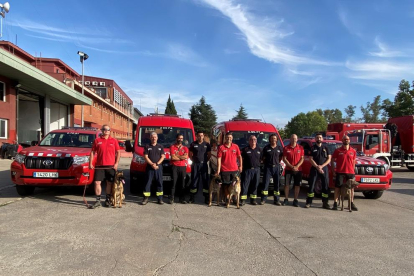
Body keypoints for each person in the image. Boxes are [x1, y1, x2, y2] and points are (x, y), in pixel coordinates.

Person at [89, 124, 120, 208]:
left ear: (110, 131)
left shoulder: (114, 140)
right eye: (104, 129)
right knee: (97, 182)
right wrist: (90, 163)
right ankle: (98, 200)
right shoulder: (97, 140)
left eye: (108, 129)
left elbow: (118, 152)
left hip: (110, 166)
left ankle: (107, 200)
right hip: (99, 165)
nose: (106, 131)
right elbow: (92, 152)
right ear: (102, 130)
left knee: (109, 183)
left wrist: (116, 163)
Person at [331, 135, 358, 211]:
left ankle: (351, 203)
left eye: (347, 139)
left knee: (351, 189)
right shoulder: (338, 150)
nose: (346, 140)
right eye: (345, 139)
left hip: (350, 172)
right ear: (342, 141)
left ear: (349, 140)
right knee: (337, 188)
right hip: (340, 172)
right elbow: (332, 160)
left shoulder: (353, 151)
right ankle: (335, 203)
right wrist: (333, 170)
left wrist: (353, 171)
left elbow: (353, 162)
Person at [305, 133, 331, 209]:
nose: (319, 139)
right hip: (314, 168)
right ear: (315, 139)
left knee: (325, 186)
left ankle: (325, 203)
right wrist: (317, 167)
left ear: (322, 139)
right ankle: (309, 202)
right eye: (317, 137)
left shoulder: (326, 148)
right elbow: (310, 159)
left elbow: (329, 159)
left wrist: (322, 166)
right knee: (312, 186)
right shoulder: (312, 148)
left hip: (324, 169)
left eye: (320, 137)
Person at [216, 132, 242, 196]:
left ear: (232, 138)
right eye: (227, 137)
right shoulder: (221, 147)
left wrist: (241, 166)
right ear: (225, 138)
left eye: (230, 137)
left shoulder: (236, 146)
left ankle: (233, 198)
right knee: (226, 185)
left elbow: (239, 157)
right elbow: (219, 159)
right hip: (225, 170)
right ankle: (227, 198)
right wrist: (218, 170)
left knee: (234, 184)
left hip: (234, 170)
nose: (229, 139)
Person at [142, 132, 165, 205]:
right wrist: (152, 164)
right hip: (150, 167)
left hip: (158, 167)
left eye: (155, 137)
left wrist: (157, 164)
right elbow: (145, 157)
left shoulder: (160, 146)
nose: (153, 138)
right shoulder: (147, 146)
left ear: (157, 138)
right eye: (152, 137)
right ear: (150, 138)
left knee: (159, 182)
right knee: (148, 182)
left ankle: (160, 199)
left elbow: (163, 156)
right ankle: (146, 198)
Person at [188, 131, 211, 204]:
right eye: (199, 135)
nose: (200, 137)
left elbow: (209, 155)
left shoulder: (207, 144)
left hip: (203, 165)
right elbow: (190, 154)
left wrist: (204, 161)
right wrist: (194, 161)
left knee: (205, 181)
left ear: (203, 136)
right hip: (195, 165)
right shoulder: (193, 144)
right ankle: (192, 197)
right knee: (194, 181)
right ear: (197, 136)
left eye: (201, 135)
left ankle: (206, 198)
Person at [261, 133, 284, 205]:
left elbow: (280, 158)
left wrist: (276, 163)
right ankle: (263, 199)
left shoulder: (280, 148)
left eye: (274, 138)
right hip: (268, 167)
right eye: (272, 138)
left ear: (277, 139)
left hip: (276, 167)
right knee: (265, 184)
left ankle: (277, 200)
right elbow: (263, 158)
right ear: (269, 140)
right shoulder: (266, 148)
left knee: (277, 184)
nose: (273, 140)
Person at [282, 134, 304, 207]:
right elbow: (284, 159)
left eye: (295, 138)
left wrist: (296, 166)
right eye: (292, 138)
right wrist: (291, 166)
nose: (294, 140)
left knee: (297, 185)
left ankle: (295, 200)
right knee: (287, 185)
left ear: (297, 139)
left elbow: (302, 158)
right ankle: (286, 199)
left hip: (298, 170)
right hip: (288, 169)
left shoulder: (300, 148)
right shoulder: (286, 148)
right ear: (290, 139)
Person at [241, 135, 262, 206]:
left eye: (254, 139)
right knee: (245, 185)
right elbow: (241, 159)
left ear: (256, 141)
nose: (253, 141)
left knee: (255, 185)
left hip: (256, 170)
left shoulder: (259, 149)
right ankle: (243, 200)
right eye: (251, 139)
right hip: (247, 170)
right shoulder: (245, 149)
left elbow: (262, 159)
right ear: (249, 141)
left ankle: (253, 200)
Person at [170, 134, 189, 204]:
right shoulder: (172, 147)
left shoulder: (185, 148)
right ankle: (172, 198)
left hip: (183, 167)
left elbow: (186, 157)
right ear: (176, 139)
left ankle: (182, 199)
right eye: (179, 138)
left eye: (182, 138)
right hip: (175, 167)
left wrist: (177, 156)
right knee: (173, 183)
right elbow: (172, 157)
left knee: (182, 184)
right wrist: (181, 156)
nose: (180, 140)